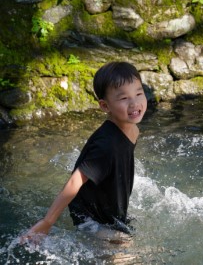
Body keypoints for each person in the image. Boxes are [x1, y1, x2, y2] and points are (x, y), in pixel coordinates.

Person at [22, 61, 147, 244]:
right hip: (89, 218)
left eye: (139, 93)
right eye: (123, 98)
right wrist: (47, 222)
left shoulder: (132, 129)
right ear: (105, 106)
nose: (134, 103)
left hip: (109, 210)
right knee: (125, 246)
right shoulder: (106, 145)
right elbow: (74, 181)